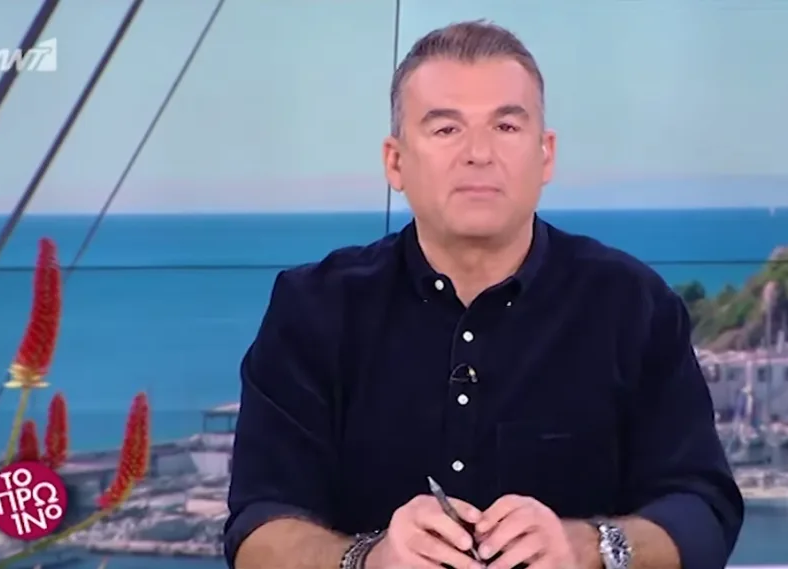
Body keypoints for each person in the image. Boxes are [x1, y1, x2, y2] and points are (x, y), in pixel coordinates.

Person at [225, 19, 743, 569]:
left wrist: (589, 547)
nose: (478, 153)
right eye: (446, 129)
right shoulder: (313, 309)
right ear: (395, 162)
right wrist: (368, 560)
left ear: (546, 155)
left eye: (506, 126)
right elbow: (258, 528)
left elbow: (702, 510)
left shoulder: (633, 304)